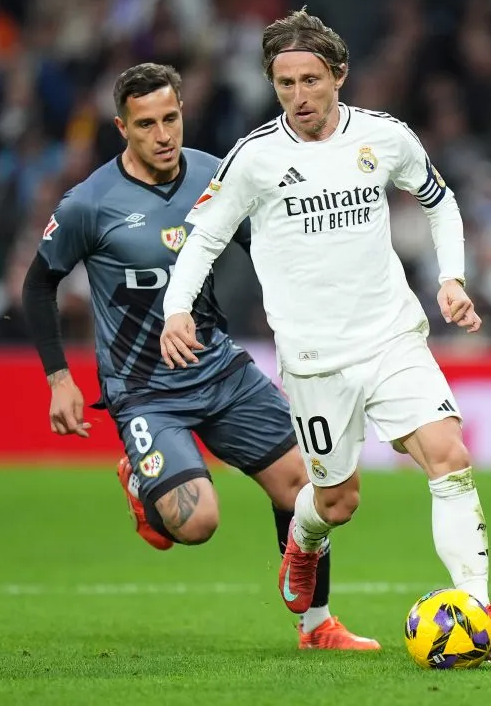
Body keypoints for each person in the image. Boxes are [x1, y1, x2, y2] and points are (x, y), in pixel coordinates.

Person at [160, 10, 491, 661]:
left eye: (310, 80)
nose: (299, 96)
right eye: (285, 83)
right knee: (337, 502)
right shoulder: (255, 158)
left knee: (448, 454)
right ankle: (302, 541)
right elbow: (204, 238)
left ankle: (478, 606)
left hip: (392, 336)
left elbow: (440, 200)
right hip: (316, 359)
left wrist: (451, 278)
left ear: (339, 74)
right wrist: (177, 310)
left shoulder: (383, 137)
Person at [21, 62, 378, 651]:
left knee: (311, 488)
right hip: (144, 389)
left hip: (220, 370)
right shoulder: (90, 204)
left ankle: (316, 626)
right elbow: (39, 285)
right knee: (197, 523)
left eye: (171, 118)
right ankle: (142, 481)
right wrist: (59, 378)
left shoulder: (218, 175)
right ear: (122, 128)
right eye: (146, 124)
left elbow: (271, 249)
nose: (163, 135)